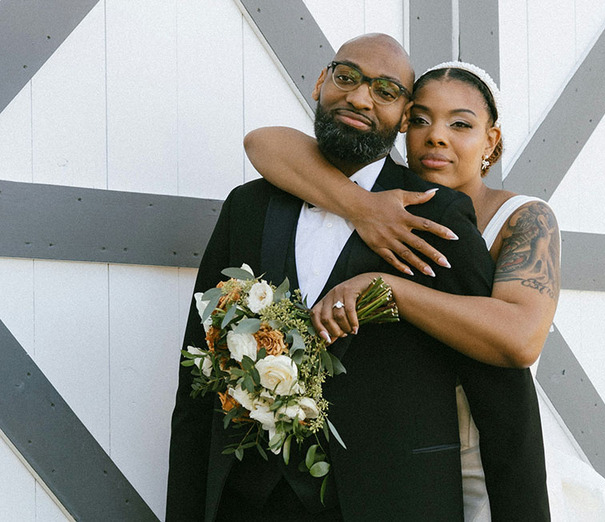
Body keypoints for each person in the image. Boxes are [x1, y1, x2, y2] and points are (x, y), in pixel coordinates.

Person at [168, 34, 549, 521]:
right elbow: (197, 376)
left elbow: (502, 394)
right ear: (320, 83)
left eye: (387, 91)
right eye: (346, 77)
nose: (360, 97)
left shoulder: (439, 214)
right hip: (248, 502)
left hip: (394, 502)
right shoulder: (249, 206)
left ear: (404, 115)